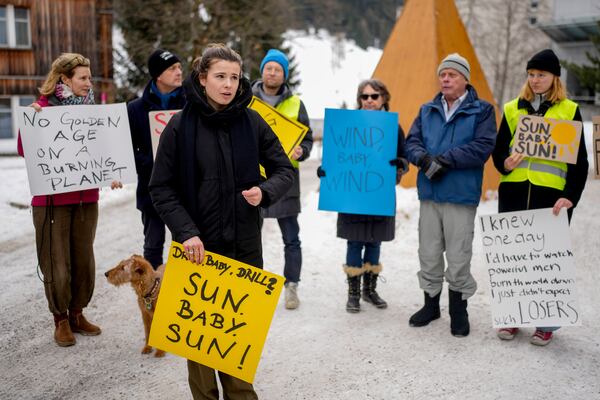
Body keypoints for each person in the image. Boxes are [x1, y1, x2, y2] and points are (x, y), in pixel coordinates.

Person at [148, 43, 294, 400]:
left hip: (244, 250)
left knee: (237, 341)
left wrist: (265, 191)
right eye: (220, 76)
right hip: (198, 253)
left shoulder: (252, 120)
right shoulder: (181, 126)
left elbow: (283, 169)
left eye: (233, 77)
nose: (228, 84)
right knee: (200, 350)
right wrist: (187, 233)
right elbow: (161, 188)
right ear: (202, 78)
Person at [17, 53, 122, 347]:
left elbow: (106, 150)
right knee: (57, 263)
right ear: (65, 79)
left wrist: (112, 171)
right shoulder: (43, 110)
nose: (89, 83)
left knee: (83, 260)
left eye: (89, 78)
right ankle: (60, 319)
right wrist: (32, 124)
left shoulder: (94, 113)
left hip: (86, 199)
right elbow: (25, 150)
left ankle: (77, 314)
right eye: (83, 78)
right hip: (52, 202)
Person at [491, 49, 588, 346]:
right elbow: (498, 152)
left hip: (551, 198)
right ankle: (511, 317)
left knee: (548, 260)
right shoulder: (512, 109)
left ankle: (546, 322)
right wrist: (504, 163)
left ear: (554, 77)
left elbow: (580, 162)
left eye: (541, 75)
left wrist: (570, 196)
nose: (535, 80)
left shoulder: (569, 110)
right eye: (531, 74)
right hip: (515, 193)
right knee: (514, 258)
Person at [405, 53, 497, 337]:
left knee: (459, 255)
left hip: (460, 194)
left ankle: (459, 310)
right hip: (430, 193)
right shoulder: (427, 109)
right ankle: (431, 306)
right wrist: (422, 159)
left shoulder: (482, 110)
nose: (445, 78)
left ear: (465, 79)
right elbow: (412, 142)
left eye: (452, 74)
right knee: (429, 252)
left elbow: (483, 146)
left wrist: (445, 160)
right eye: (442, 74)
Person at [318, 79, 408, 313]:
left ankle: (370, 289)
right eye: (364, 96)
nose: (369, 100)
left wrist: (399, 167)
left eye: (374, 96)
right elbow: (336, 157)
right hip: (352, 196)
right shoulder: (346, 124)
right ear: (359, 99)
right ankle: (354, 293)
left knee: (374, 243)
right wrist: (326, 171)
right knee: (354, 242)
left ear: (383, 99)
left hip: (378, 195)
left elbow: (404, 157)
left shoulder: (393, 127)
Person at [251, 48, 313, 309]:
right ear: (262, 71)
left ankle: (292, 286)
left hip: (285, 180)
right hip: (253, 179)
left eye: (278, 69)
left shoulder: (296, 103)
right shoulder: (247, 100)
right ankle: (251, 286)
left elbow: (307, 138)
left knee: (291, 237)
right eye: (269, 68)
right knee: (250, 237)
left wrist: (303, 150)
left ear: (284, 75)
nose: (273, 72)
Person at [127, 49, 186, 269]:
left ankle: (180, 297)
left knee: (185, 245)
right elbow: (128, 149)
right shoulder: (134, 109)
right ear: (158, 75)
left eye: (179, 67)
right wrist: (150, 163)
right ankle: (152, 297)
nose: (179, 72)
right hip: (151, 188)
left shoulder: (190, 104)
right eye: (172, 68)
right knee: (152, 246)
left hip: (185, 190)